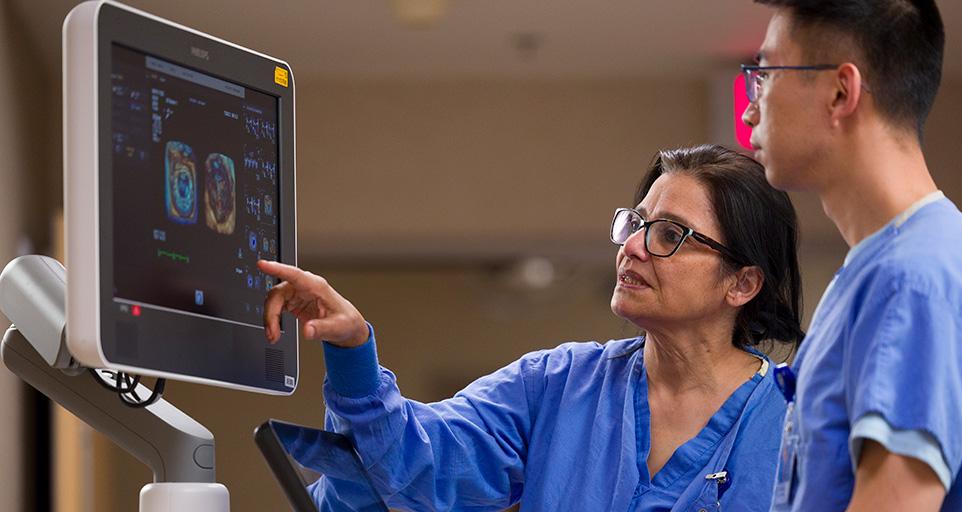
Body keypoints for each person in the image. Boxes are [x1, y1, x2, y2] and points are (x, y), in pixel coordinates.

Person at [259, 144, 805, 511]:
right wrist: (353, 349)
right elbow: (420, 461)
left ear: (742, 284)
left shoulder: (793, 420)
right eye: (635, 223)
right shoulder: (558, 385)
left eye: (670, 235)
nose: (633, 246)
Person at [741, 1, 962, 510]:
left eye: (765, 75)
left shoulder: (917, 278)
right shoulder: (885, 270)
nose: (750, 109)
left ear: (840, 91)